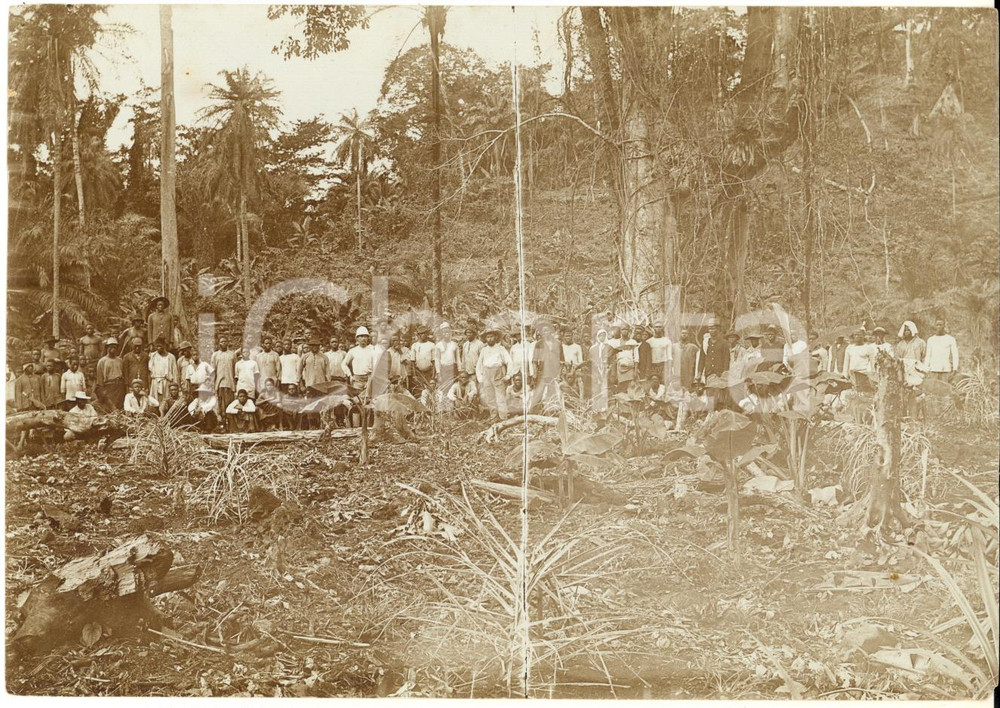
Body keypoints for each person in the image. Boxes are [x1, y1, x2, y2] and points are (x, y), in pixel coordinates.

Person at [476, 328, 512, 421]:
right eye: (488, 337)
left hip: (498, 373)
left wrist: (508, 375)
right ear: (486, 339)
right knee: (490, 397)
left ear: (495, 337)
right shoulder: (484, 350)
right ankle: (493, 416)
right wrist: (480, 377)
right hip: (486, 373)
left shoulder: (501, 349)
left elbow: (509, 361)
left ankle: (503, 417)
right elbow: (479, 364)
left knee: (500, 397)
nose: (490, 339)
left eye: (491, 336)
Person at [212, 337, 238, 431]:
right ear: (219, 343)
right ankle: (222, 425)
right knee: (221, 406)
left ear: (227, 343)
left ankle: (230, 425)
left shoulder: (232, 355)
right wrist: (213, 384)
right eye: (221, 341)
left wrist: (235, 383)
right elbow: (213, 371)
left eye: (225, 341)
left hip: (230, 384)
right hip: (220, 384)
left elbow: (235, 369)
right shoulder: (215, 355)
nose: (223, 343)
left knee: (229, 405)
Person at [342, 326, 377, 391]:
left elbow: (376, 365)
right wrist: (349, 375)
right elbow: (343, 364)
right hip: (357, 380)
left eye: (365, 336)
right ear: (357, 338)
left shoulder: (372, 350)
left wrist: (370, 380)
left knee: (370, 396)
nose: (363, 338)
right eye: (361, 336)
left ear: (368, 338)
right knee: (357, 396)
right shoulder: (353, 351)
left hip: (369, 379)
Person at [95, 338, 126, 411]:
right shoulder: (102, 361)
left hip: (119, 386)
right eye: (110, 347)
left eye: (115, 347)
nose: (113, 349)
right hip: (109, 387)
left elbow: (123, 374)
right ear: (107, 348)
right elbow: (100, 379)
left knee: (119, 407)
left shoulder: (120, 360)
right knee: (110, 408)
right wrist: (102, 391)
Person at [148, 338, 178, 402]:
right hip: (155, 382)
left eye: (160, 346)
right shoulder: (153, 356)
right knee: (155, 401)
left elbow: (175, 372)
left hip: (167, 382)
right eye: (156, 346)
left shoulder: (171, 357)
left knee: (166, 401)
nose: (158, 348)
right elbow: (150, 371)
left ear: (164, 345)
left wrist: (175, 384)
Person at [435, 323, 461, 395]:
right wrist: (438, 373)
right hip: (443, 369)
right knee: (444, 387)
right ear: (441, 333)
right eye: (444, 332)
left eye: (448, 331)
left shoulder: (454, 344)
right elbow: (437, 359)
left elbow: (458, 358)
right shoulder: (438, 345)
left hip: (453, 368)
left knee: (453, 387)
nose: (446, 334)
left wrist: (459, 370)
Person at [411, 328, 436, 392]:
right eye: (422, 334)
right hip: (419, 372)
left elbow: (434, 361)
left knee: (430, 390)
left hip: (429, 372)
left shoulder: (432, 345)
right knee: (419, 390)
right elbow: (413, 362)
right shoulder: (414, 345)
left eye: (425, 333)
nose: (424, 335)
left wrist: (433, 375)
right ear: (419, 335)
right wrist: (414, 375)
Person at [78, 324, 103, 389]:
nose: (89, 330)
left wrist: (100, 359)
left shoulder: (98, 339)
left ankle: (97, 389)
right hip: (86, 362)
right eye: (88, 329)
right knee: (87, 376)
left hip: (96, 361)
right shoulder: (82, 339)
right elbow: (81, 352)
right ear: (85, 330)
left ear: (93, 329)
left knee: (96, 376)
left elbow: (101, 350)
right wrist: (82, 361)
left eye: (91, 328)